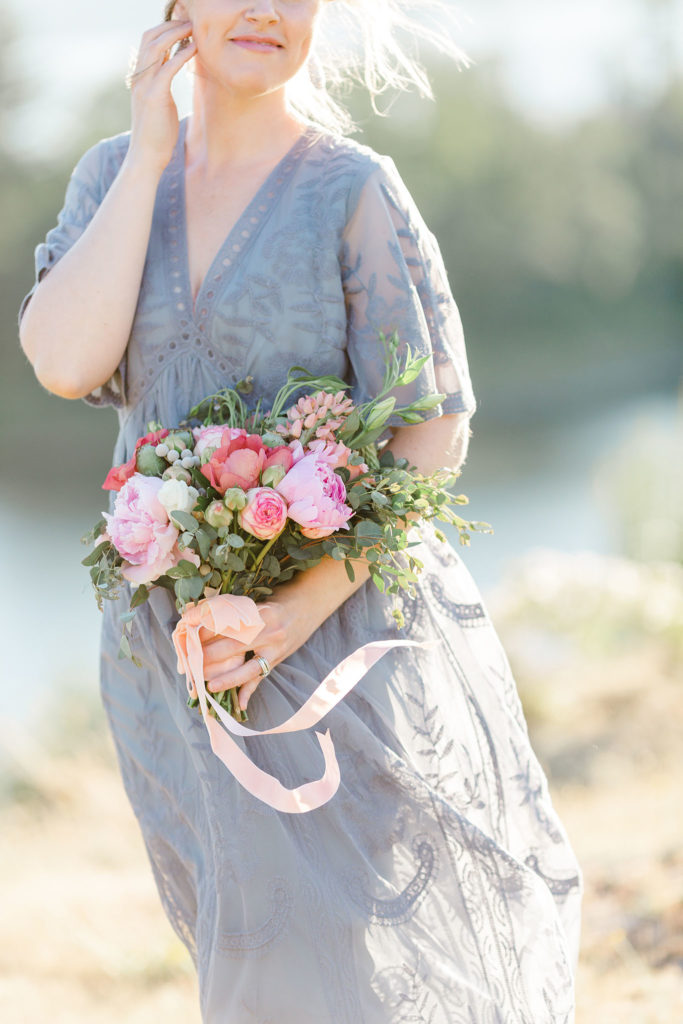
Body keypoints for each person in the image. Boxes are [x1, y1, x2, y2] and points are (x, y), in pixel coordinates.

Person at [18, 1, 583, 1020]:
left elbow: (429, 433)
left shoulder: (352, 191)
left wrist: (293, 613)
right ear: (177, 10)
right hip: (165, 650)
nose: (268, 9)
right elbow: (64, 362)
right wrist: (150, 152)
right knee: (233, 940)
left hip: (331, 643)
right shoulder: (112, 173)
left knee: (321, 960)